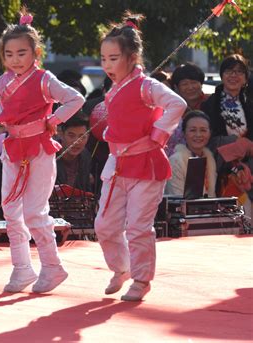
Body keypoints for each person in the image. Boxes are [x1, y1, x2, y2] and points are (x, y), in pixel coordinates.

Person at [93, 12, 186, 301]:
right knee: (104, 225)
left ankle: (142, 279)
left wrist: (158, 134)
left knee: (137, 227)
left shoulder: (147, 85)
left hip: (146, 164)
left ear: (132, 56)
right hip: (117, 164)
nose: (107, 65)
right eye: (104, 58)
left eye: (113, 58)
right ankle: (121, 268)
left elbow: (177, 104)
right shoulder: (115, 88)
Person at [0, 8, 84, 293]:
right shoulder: (2, 81)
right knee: (10, 209)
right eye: (9, 54)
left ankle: (53, 266)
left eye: (21, 53)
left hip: (39, 149)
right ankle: (22, 269)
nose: (15, 59)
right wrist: (7, 120)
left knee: (34, 211)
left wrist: (52, 120)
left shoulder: (44, 79)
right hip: (13, 149)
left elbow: (75, 99)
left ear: (35, 52)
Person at [201, 54, 252, 219]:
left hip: (248, 166)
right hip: (220, 166)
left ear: (245, 78)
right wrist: (234, 166)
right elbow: (207, 142)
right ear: (222, 75)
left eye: (239, 72)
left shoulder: (250, 105)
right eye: (229, 71)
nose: (234, 75)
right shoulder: (209, 104)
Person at [165, 110, 216, 197]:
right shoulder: (176, 161)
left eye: (203, 130)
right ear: (184, 133)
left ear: (210, 133)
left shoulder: (210, 160)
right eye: (193, 130)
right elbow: (177, 198)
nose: (198, 135)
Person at [165, 63, 208, 156]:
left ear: (201, 83)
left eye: (193, 82)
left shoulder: (212, 103)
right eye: (184, 84)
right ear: (176, 87)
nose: (190, 87)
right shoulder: (171, 109)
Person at [56, 112, 92, 192]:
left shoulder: (85, 156)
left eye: (82, 137)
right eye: (71, 136)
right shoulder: (50, 156)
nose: (76, 141)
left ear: (88, 137)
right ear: (61, 134)